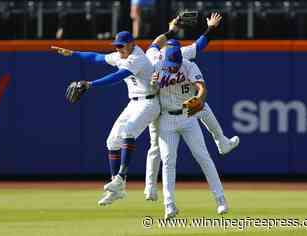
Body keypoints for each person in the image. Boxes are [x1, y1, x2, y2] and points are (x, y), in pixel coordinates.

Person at [51, 31, 160, 205]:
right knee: (112, 142)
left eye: (121, 45)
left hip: (149, 103)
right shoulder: (120, 54)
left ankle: (121, 176)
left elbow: (118, 76)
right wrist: (73, 53)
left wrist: (90, 84)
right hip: (134, 103)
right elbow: (97, 58)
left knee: (129, 131)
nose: (118, 49)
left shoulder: (137, 58)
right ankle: (117, 189)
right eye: (116, 46)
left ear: (132, 44)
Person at [144, 13, 240, 202]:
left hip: (181, 108)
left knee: (200, 105)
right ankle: (150, 188)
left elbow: (200, 44)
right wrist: (171, 31)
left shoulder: (182, 55)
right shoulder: (154, 57)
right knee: (156, 149)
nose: (173, 67)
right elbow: (155, 43)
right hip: (157, 105)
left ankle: (221, 140)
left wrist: (211, 28)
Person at [146, 42, 229, 219]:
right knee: (168, 160)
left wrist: (198, 100)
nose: (173, 68)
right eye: (171, 64)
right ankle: (169, 205)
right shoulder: (156, 64)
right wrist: (151, 85)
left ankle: (221, 200)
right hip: (166, 118)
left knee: (203, 156)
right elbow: (149, 90)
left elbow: (202, 89)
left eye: (176, 64)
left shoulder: (189, 66)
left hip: (187, 114)